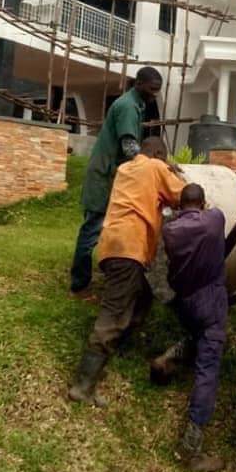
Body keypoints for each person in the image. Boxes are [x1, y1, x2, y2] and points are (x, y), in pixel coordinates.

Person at [68, 137, 184, 407]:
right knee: (113, 316)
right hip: (130, 247)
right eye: (162, 157)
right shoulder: (156, 167)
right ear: (156, 154)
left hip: (112, 245)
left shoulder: (125, 169)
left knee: (144, 295)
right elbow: (185, 194)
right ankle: (82, 386)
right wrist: (173, 171)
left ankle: (122, 344)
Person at [70, 66, 163, 299]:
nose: (155, 95)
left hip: (112, 175)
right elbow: (129, 147)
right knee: (92, 229)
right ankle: (79, 285)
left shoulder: (137, 104)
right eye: (152, 90)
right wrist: (155, 166)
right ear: (139, 84)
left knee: (107, 228)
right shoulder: (128, 107)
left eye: (158, 91)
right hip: (103, 176)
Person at [162, 183, 228, 472]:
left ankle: (167, 359)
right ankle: (191, 447)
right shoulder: (214, 220)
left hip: (185, 302)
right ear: (201, 203)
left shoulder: (170, 229)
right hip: (210, 302)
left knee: (195, 336)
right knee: (207, 369)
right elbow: (217, 209)